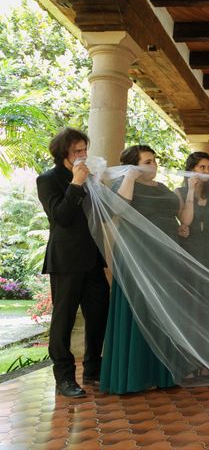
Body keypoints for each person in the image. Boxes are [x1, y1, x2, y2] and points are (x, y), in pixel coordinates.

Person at [36, 128, 110, 398]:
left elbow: (101, 217)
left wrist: (96, 185)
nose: (83, 155)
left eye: (84, 150)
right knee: (63, 319)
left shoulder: (90, 179)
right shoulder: (47, 179)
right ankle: (64, 377)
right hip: (65, 260)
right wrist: (76, 184)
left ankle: (93, 369)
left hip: (92, 258)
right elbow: (61, 217)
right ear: (63, 153)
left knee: (100, 313)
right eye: (77, 151)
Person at [100, 145, 179, 394]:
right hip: (137, 253)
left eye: (154, 160)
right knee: (137, 309)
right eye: (147, 161)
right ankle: (132, 376)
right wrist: (130, 178)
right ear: (133, 165)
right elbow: (117, 210)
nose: (153, 165)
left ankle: (162, 374)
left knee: (162, 310)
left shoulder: (163, 188)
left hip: (164, 255)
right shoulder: (124, 184)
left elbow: (172, 212)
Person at [175, 152, 209, 272]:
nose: (207, 171)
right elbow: (185, 221)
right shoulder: (179, 192)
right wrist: (191, 190)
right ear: (191, 169)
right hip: (189, 247)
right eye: (202, 167)